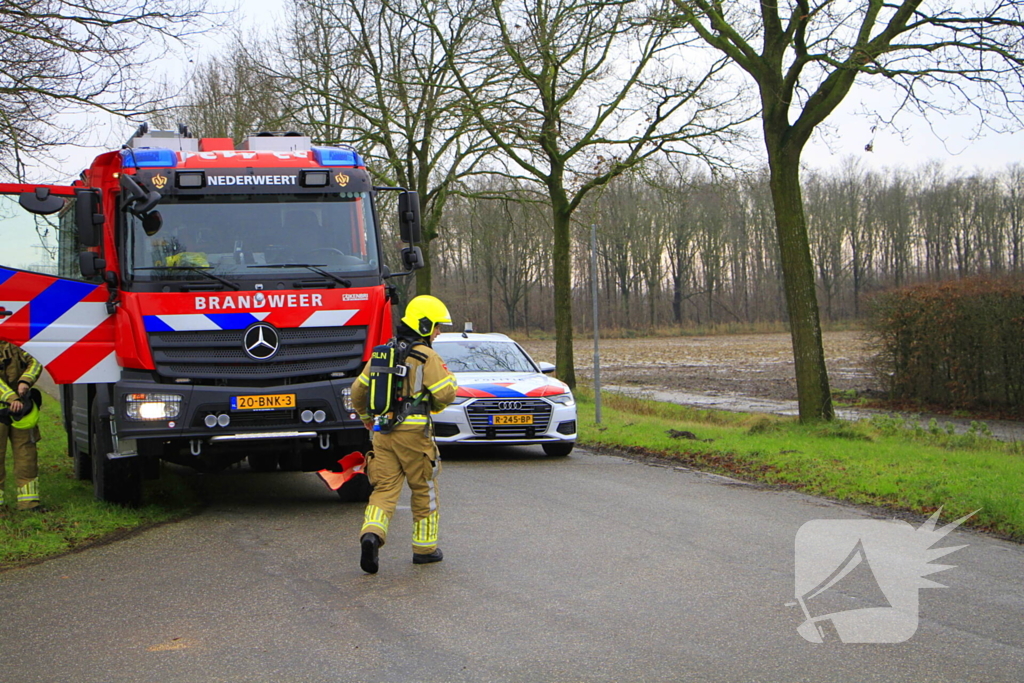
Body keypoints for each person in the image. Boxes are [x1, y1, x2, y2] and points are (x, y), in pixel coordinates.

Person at [351, 295, 458, 574]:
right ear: (424, 324)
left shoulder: (380, 353)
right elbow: (446, 392)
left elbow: (357, 391)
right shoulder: (427, 356)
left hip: (382, 432)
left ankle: (371, 535)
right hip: (414, 435)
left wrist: (366, 418)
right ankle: (425, 550)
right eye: (436, 326)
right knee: (424, 488)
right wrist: (435, 402)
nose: (438, 332)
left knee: (384, 489)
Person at [0, 341, 43, 511]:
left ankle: (29, 503)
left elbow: (36, 360)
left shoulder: (17, 341)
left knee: (27, 455)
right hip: (10, 405)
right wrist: (11, 397)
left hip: (21, 412)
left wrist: (25, 381)